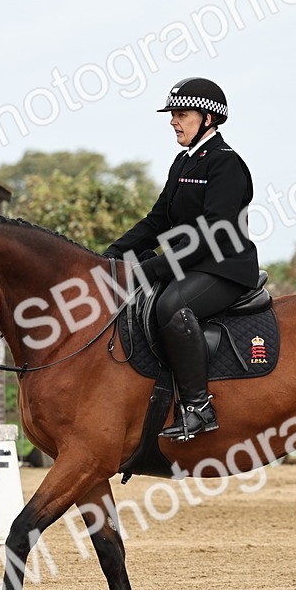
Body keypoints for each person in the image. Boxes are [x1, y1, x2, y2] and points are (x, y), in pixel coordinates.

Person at [103, 77, 260, 441]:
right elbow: (157, 221)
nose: (173, 121)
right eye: (172, 114)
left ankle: (198, 407)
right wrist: (112, 255)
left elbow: (215, 230)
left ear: (207, 119)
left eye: (181, 114)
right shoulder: (182, 162)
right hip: (190, 264)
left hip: (224, 266)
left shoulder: (226, 164)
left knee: (171, 306)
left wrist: (157, 266)